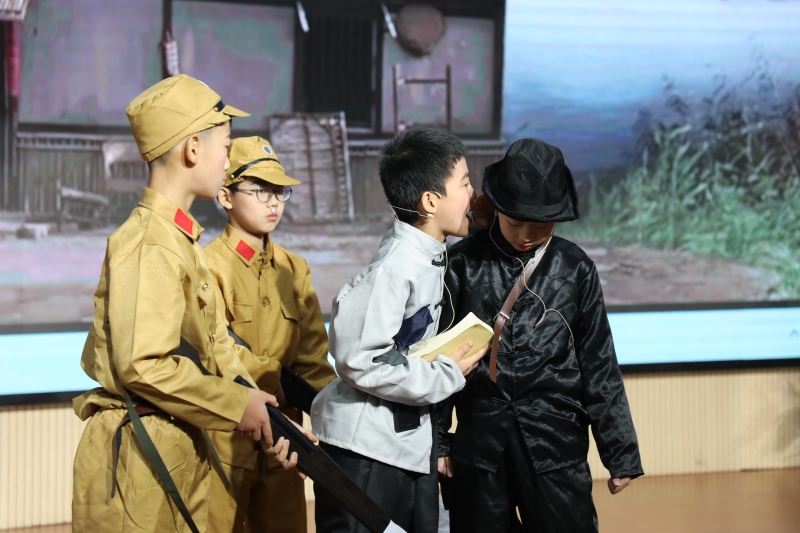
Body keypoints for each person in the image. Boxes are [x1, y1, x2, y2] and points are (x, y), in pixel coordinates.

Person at [71, 74, 306, 533]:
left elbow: (217, 348)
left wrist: (268, 412)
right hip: (141, 455)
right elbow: (144, 366)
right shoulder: (150, 243)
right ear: (193, 149)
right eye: (226, 145)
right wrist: (239, 405)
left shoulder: (180, 241)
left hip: (175, 441)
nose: (227, 159)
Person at [437, 138, 644, 532]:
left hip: (555, 444)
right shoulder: (461, 264)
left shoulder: (576, 268)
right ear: (497, 207)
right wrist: (440, 441)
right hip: (480, 446)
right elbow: (439, 356)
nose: (527, 235)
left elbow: (599, 362)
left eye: (542, 224)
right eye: (516, 222)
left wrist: (620, 452)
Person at [310, 127, 490, 532]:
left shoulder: (428, 254)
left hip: (403, 448)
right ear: (430, 201)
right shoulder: (395, 267)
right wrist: (447, 373)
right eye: (464, 184)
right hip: (367, 453)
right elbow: (360, 359)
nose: (473, 195)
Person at [204, 135, 336, 532]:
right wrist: (273, 377)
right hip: (224, 442)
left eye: (280, 191)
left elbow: (314, 360)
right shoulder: (206, 265)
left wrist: (338, 419)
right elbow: (213, 351)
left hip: (283, 444)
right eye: (260, 191)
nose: (274, 202)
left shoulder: (294, 269)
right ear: (225, 197)